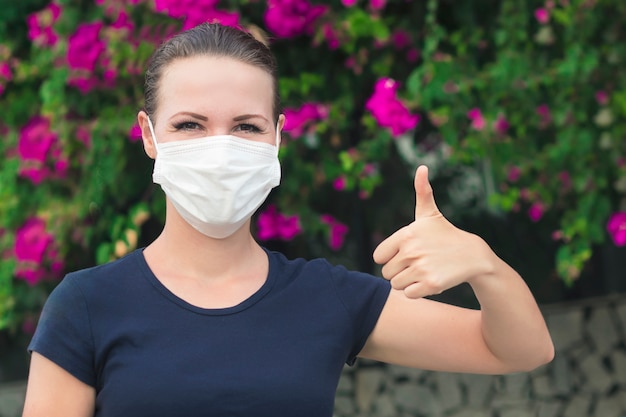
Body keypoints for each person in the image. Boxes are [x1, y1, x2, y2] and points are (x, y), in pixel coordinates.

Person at [22, 23, 554, 417]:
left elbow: (519, 349)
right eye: (189, 124)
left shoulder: (325, 297)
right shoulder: (86, 305)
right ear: (149, 134)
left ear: (277, 135)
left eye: (246, 127)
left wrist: (486, 267)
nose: (220, 147)